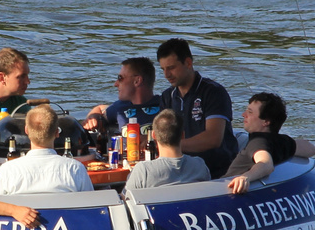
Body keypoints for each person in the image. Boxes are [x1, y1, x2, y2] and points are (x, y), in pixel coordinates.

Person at [156, 37, 239, 178]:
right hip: (181, 171)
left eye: (171, 68)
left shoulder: (213, 92)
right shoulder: (167, 96)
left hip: (217, 172)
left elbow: (213, 138)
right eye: (163, 69)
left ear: (188, 63)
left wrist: (173, 146)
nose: (166, 75)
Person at [224, 92, 315, 194]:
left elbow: (266, 164)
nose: (244, 115)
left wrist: (245, 177)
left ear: (266, 122)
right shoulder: (280, 141)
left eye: (250, 112)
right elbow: (310, 149)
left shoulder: (257, 142)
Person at [0, 106, 95, 195]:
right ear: (57, 132)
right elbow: (90, 206)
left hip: (22, 219)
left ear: (26, 130)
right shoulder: (75, 169)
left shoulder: (8, 170)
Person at [124, 109, 211, 190]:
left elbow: (126, 199)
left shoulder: (144, 170)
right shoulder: (200, 166)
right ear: (183, 135)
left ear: (153, 136)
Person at [81, 57, 163, 138]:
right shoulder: (120, 107)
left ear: (137, 81)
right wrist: (92, 117)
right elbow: (100, 109)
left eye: (120, 78)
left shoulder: (165, 104)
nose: (115, 84)